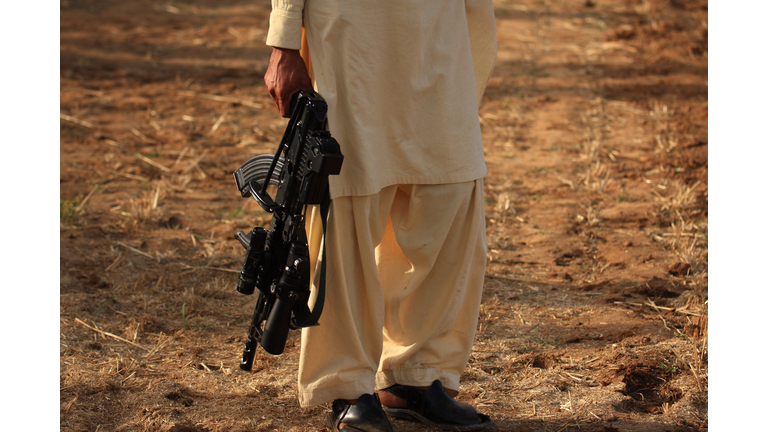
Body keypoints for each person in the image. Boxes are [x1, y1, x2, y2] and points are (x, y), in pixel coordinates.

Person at [263, 1, 497, 431]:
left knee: (448, 192)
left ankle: (415, 375)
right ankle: (348, 384)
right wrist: (284, 39)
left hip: (441, 25)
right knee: (348, 200)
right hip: (351, 30)